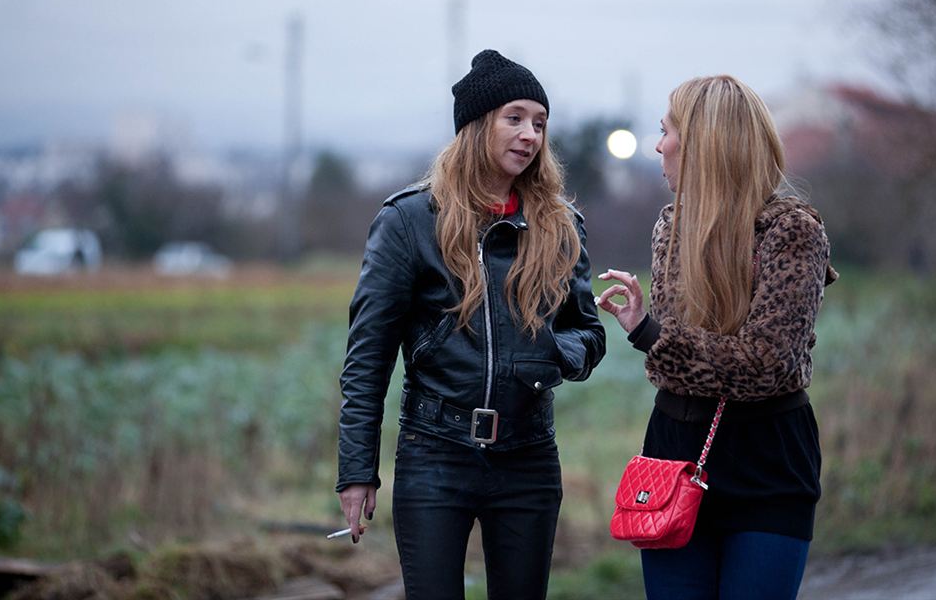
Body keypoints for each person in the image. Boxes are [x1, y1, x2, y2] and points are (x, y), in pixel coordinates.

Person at [336, 49, 606, 600]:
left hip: (528, 456)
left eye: (540, 122)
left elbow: (588, 330)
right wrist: (356, 470)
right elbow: (368, 357)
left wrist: (554, 352)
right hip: (434, 452)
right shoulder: (409, 221)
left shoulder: (560, 224)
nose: (530, 134)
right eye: (515, 117)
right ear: (476, 125)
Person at [596, 75, 837, 600]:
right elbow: (666, 367)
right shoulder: (670, 227)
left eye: (666, 131)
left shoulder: (792, 230)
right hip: (674, 451)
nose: (658, 145)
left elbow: (766, 364)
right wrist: (653, 337)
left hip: (768, 461)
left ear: (705, 143)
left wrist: (655, 337)